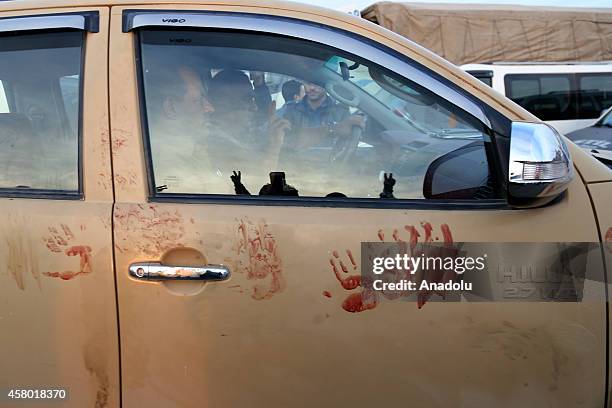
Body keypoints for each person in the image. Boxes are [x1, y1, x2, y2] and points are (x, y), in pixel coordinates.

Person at [205, 69, 291, 191]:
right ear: (224, 104)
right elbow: (255, 190)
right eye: (247, 100)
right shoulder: (217, 145)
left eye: (253, 100)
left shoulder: (239, 137)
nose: (254, 107)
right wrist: (274, 147)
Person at [145, 65, 214, 193]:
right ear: (171, 108)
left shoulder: (191, 151)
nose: (210, 108)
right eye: (197, 100)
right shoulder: (171, 169)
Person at [282, 81, 365, 150]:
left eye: (316, 83)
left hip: (330, 164)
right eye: (308, 83)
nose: (312, 88)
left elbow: (349, 144)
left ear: (326, 85)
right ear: (303, 84)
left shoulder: (341, 110)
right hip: (296, 164)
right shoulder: (290, 110)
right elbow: (285, 142)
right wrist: (333, 129)